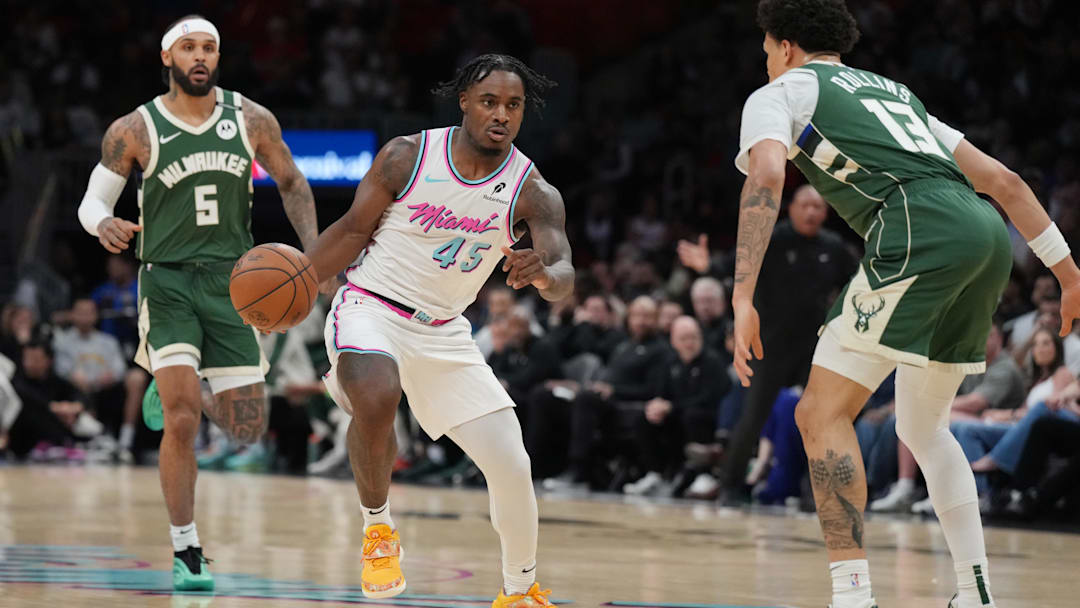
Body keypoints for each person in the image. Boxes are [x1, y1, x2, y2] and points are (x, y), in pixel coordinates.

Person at [731, 2, 1080, 607]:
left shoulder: (784, 90)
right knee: (923, 426)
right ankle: (975, 593)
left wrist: (741, 293)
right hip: (986, 236)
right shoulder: (897, 95)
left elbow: (765, 175)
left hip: (919, 231)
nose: (767, 64)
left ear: (785, 47)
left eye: (766, 52)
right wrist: (1069, 274)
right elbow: (1006, 183)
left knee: (818, 414)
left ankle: (853, 596)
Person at [305, 54, 571, 607]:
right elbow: (353, 230)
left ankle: (520, 591)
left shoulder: (532, 189)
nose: (501, 114)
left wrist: (544, 274)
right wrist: (303, 281)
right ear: (465, 103)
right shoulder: (408, 156)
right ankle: (378, 530)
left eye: (514, 105)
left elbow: (565, 274)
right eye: (490, 102)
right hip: (370, 305)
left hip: (444, 332)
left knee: (511, 462)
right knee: (376, 396)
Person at [74, 16, 319, 591]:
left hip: (235, 282)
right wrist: (104, 223)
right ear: (168, 57)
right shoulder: (135, 128)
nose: (200, 56)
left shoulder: (251, 118)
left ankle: (173, 387)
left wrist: (315, 256)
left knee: (245, 427)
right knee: (182, 418)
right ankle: (187, 549)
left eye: (209, 47)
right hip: (168, 281)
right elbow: (92, 200)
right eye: (189, 48)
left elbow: (293, 183)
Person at [683, 185, 856, 503]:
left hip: (813, 348)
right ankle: (731, 485)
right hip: (770, 345)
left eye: (817, 207)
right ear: (791, 209)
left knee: (821, 417)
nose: (811, 212)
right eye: (805, 205)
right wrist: (708, 266)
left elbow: (858, 281)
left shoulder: (833, 247)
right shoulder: (774, 239)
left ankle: (814, 490)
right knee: (754, 416)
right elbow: (737, 265)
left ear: (825, 212)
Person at [623, 316, 729, 496]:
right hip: (677, 417)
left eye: (694, 337)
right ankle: (654, 473)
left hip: (706, 419)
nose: (690, 343)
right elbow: (661, 394)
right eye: (684, 338)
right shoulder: (670, 363)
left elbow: (709, 398)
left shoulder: (712, 362)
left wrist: (671, 407)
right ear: (673, 341)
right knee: (645, 418)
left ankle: (705, 474)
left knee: (694, 415)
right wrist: (656, 405)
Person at [52, 297, 147, 459]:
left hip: (107, 390)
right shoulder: (62, 342)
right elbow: (60, 369)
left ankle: (126, 439)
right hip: (75, 392)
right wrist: (76, 377)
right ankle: (92, 439)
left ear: (96, 316)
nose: (84, 317)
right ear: (72, 315)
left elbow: (119, 369)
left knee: (137, 377)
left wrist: (110, 376)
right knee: (78, 385)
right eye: (80, 313)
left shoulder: (108, 341)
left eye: (89, 313)